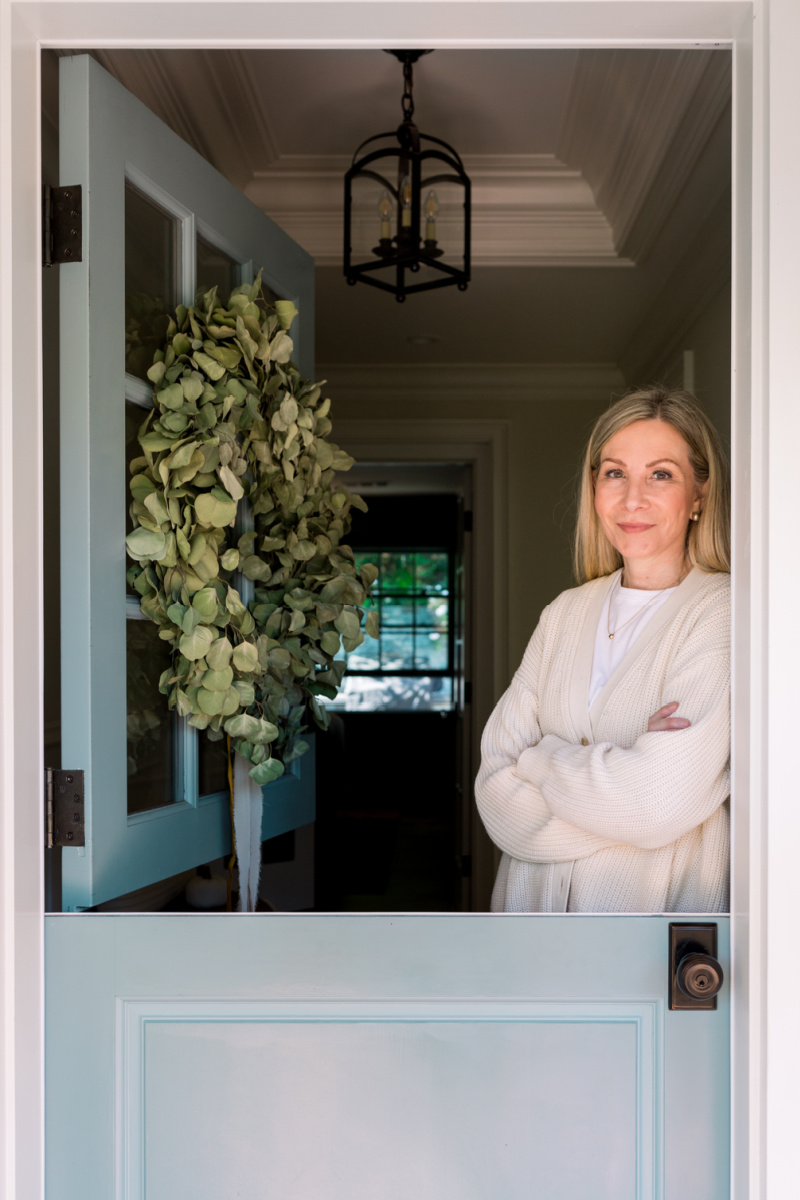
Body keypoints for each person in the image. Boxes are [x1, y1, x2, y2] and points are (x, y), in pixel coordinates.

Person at [476, 387, 730, 913]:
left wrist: (542, 759)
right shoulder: (564, 612)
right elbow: (495, 787)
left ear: (700, 495)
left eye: (661, 474)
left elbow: (655, 804)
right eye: (615, 473)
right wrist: (622, 782)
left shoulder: (721, 611)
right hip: (529, 924)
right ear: (594, 488)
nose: (632, 498)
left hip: (648, 936)